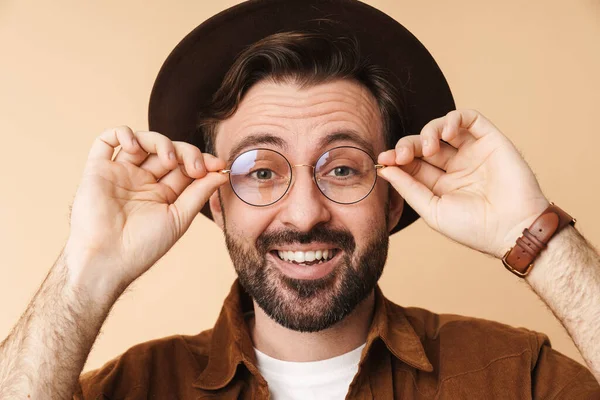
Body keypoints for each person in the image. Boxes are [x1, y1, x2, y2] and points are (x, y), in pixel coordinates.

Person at [1, 0, 599, 398]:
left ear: (394, 202)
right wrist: (87, 271)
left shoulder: (518, 377)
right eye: (261, 171)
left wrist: (537, 235)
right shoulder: (132, 388)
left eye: (341, 168)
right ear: (215, 201)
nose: (305, 212)